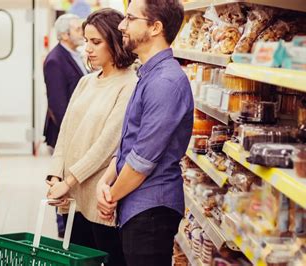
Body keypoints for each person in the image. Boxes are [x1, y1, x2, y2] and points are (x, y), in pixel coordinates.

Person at [96, 0, 194, 265]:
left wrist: (110, 196)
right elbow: (130, 142)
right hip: (137, 206)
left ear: (155, 27)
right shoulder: (149, 74)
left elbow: (142, 160)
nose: (121, 25)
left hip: (151, 211)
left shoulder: (165, 82)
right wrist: (105, 182)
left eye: (130, 18)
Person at [46, 8, 137, 266]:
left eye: (96, 42)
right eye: (86, 41)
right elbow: (65, 133)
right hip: (71, 197)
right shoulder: (86, 82)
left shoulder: (129, 84)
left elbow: (107, 144)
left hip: (99, 200)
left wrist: (70, 180)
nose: (88, 48)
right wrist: (55, 176)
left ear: (116, 41)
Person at [43, 13, 87, 237]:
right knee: (59, 178)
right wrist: (70, 138)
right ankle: (63, 226)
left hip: (77, 132)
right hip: (64, 134)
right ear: (64, 35)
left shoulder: (76, 55)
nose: (83, 32)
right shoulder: (55, 60)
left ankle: (71, 221)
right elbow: (58, 106)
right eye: (78, 29)